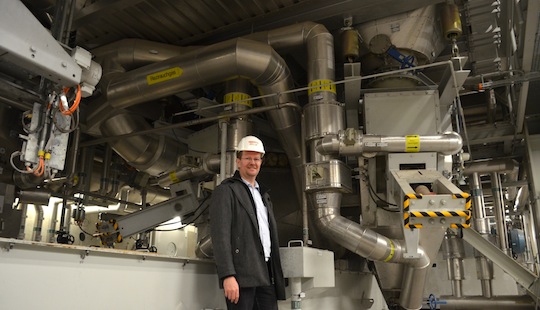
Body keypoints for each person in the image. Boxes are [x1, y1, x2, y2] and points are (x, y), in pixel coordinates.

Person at [209, 135, 286, 310]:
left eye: (257, 158)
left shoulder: (263, 195)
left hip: (266, 274)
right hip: (241, 277)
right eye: (248, 158)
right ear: (238, 161)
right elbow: (220, 236)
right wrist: (228, 275)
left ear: (261, 162)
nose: (253, 162)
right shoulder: (226, 191)